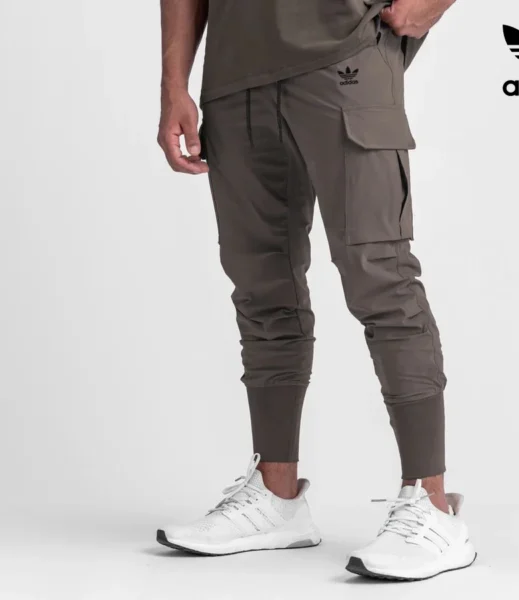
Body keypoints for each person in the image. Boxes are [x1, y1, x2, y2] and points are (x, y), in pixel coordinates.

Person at [156, 0, 476, 581]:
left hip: (344, 56)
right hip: (233, 75)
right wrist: (173, 83)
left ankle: (431, 506)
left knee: (380, 277)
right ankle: (276, 496)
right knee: (261, 286)